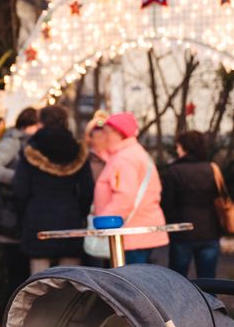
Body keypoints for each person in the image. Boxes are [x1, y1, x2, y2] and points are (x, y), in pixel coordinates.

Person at [13, 121, 94, 273]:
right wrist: (81, 213)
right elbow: (87, 190)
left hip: (36, 219)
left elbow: (20, 190)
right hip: (70, 219)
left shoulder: (31, 152)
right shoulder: (78, 153)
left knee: (38, 280)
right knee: (71, 279)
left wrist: (22, 215)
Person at [93, 112, 168, 264]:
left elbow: (125, 197)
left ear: (119, 133)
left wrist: (103, 222)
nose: (104, 137)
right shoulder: (131, 154)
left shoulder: (125, 159)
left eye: (107, 132)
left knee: (127, 284)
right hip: (136, 231)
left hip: (130, 234)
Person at [0, 107, 39, 290]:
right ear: (31, 125)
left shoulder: (28, 142)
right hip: (9, 215)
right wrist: (18, 178)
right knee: (16, 271)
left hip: (18, 216)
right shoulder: (13, 142)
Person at [162, 130, 222, 279]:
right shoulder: (212, 169)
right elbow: (220, 197)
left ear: (184, 147)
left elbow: (167, 205)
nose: (177, 149)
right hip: (210, 231)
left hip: (182, 232)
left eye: (178, 146)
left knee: (177, 280)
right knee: (208, 279)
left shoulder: (173, 171)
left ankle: (179, 303)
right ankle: (209, 303)